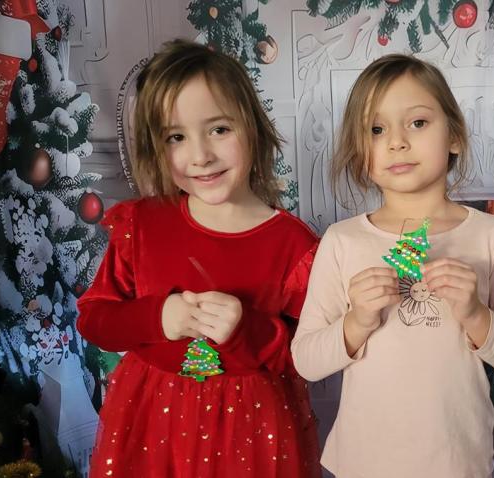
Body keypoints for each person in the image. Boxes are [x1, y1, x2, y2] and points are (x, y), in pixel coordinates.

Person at [77, 39, 319, 477]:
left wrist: (247, 331)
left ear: (252, 126)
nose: (201, 156)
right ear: (156, 146)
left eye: (219, 129)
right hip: (153, 428)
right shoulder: (141, 225)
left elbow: (310, 355)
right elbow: (95, 320)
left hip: (252, 438)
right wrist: (157, 318)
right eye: (176, 137)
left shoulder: (294, 244)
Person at [291, 54, 494, 478]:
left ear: (454, 136)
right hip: (363, 462)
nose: (397, 142)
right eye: (376, 129)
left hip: (457, 462)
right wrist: (357, 321)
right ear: (360, 151)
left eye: (418, 123)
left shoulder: (492, 235)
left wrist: (475, 314)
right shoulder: (342, 240)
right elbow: (306, 361)